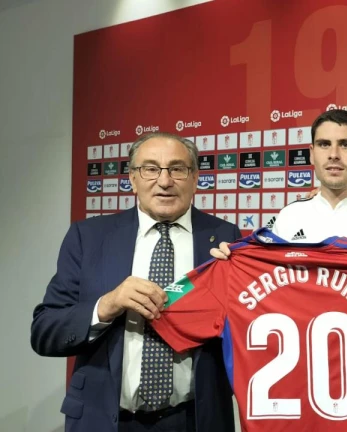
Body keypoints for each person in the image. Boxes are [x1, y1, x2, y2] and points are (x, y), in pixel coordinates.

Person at [212, 109, 347, 431]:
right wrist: (230, 265)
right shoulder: (289, 217)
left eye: (345, 144)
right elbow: (261, 290)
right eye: (324, 144)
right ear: (311, 153)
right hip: (290, 392)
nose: (333, 154)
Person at [31, 132, 241, 432]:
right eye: (151, 169)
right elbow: (44, 330)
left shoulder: (224, 237)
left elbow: (246, 329)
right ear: (132, 178)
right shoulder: (89, 237)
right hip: (106, 420)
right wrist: (107, 305)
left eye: (177, 169)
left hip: (194, 419)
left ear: (195, 178)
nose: (164, 181)